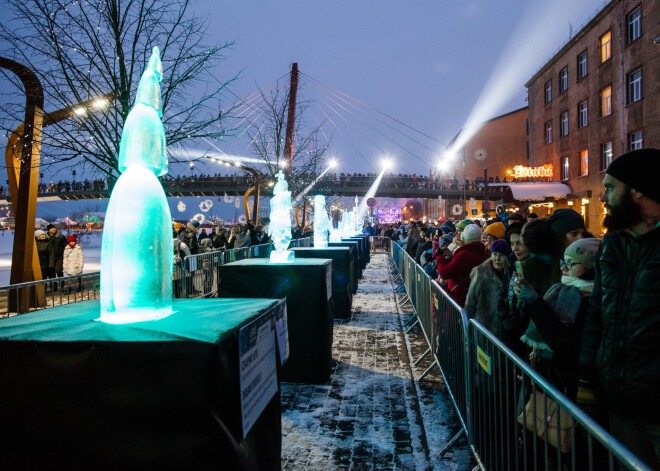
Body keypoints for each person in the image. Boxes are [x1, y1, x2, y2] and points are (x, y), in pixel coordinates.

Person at [578, 148, 660, 469]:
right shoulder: (612, 243)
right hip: (618, 399)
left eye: (611, 187)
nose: (602, 197)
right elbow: (598, 312)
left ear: (638, 190)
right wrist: (587, 379)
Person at [464, 239, 511, 339]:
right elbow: (470, 301)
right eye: (495, 254)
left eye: (502, 255)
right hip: (484, 329)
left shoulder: (511, 274)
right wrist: (467, 327)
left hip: (505, 332)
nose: (497, 258)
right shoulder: (481, 273)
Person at [435, 224, 488, 306]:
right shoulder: (482, 252)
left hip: (460, 298)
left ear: (464, 238)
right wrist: (451, 257)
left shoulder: (463, 255)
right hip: (473, 297)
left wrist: (439, 256)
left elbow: (445, 273)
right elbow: (462, 268)